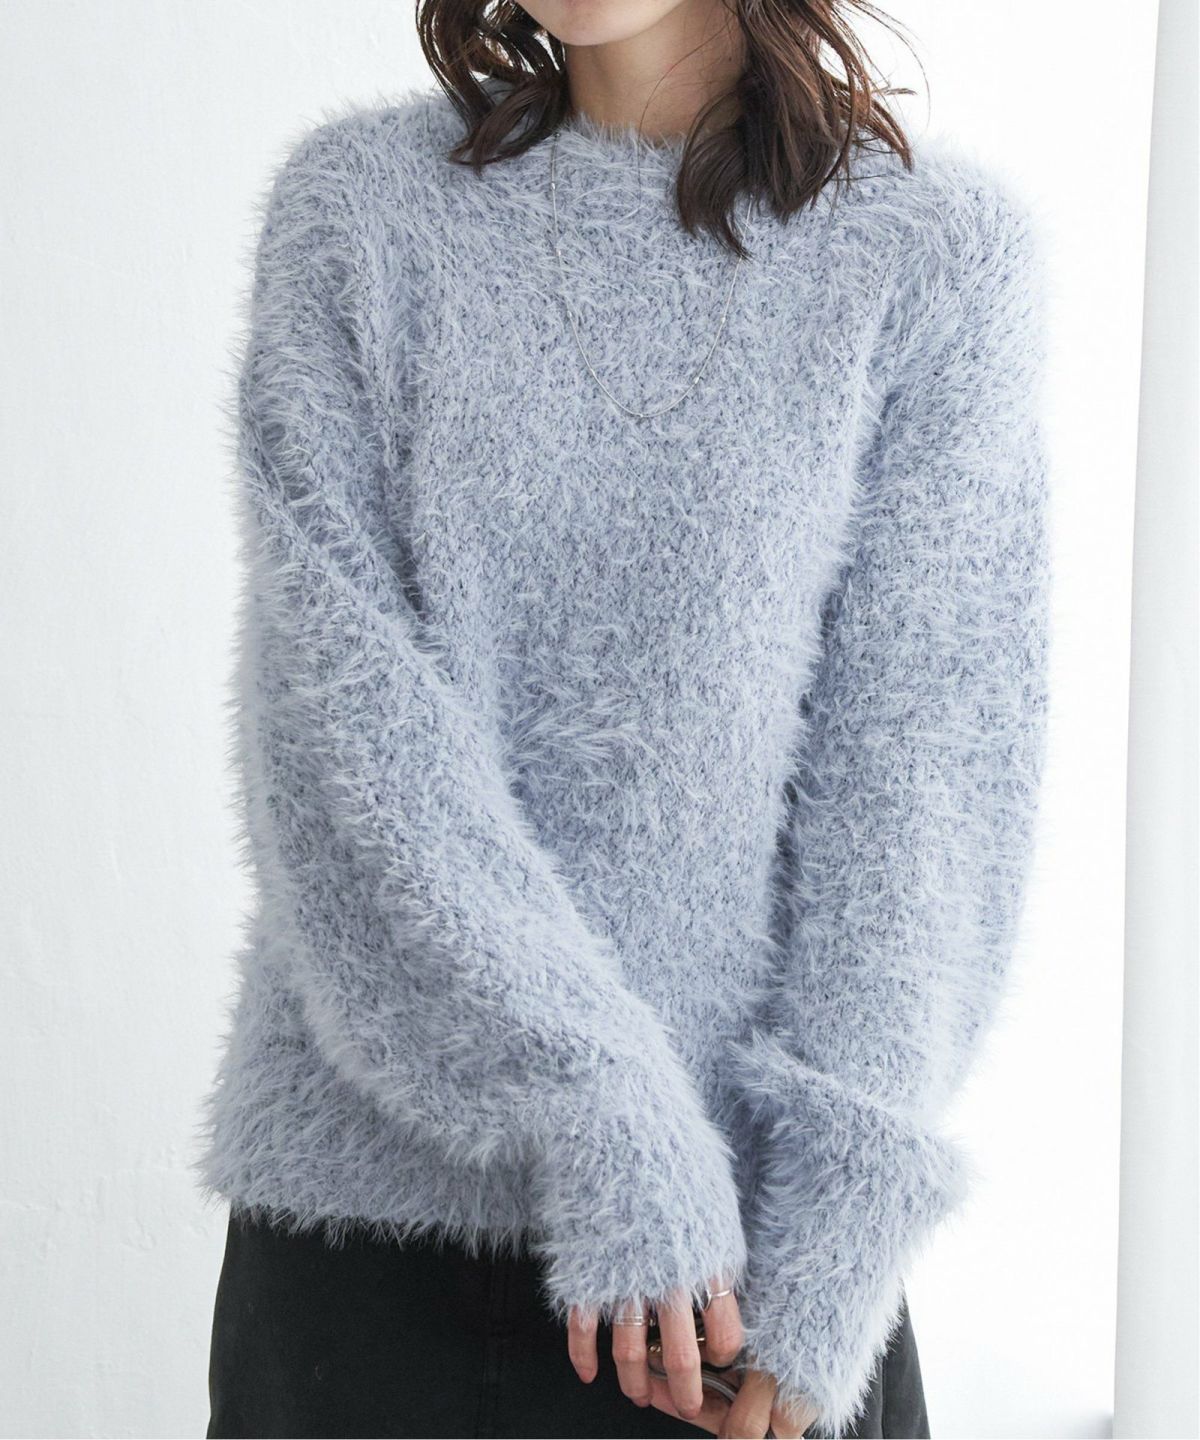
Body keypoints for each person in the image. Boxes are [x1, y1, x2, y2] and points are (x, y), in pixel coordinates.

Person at [195, 1, 1052, 1436]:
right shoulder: (358, 215)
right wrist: (600, 1108)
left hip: (749, 1300)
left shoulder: (932, 258)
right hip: (379, 1262)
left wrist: (841, 1227)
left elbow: (928, 775)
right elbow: (342, 744)